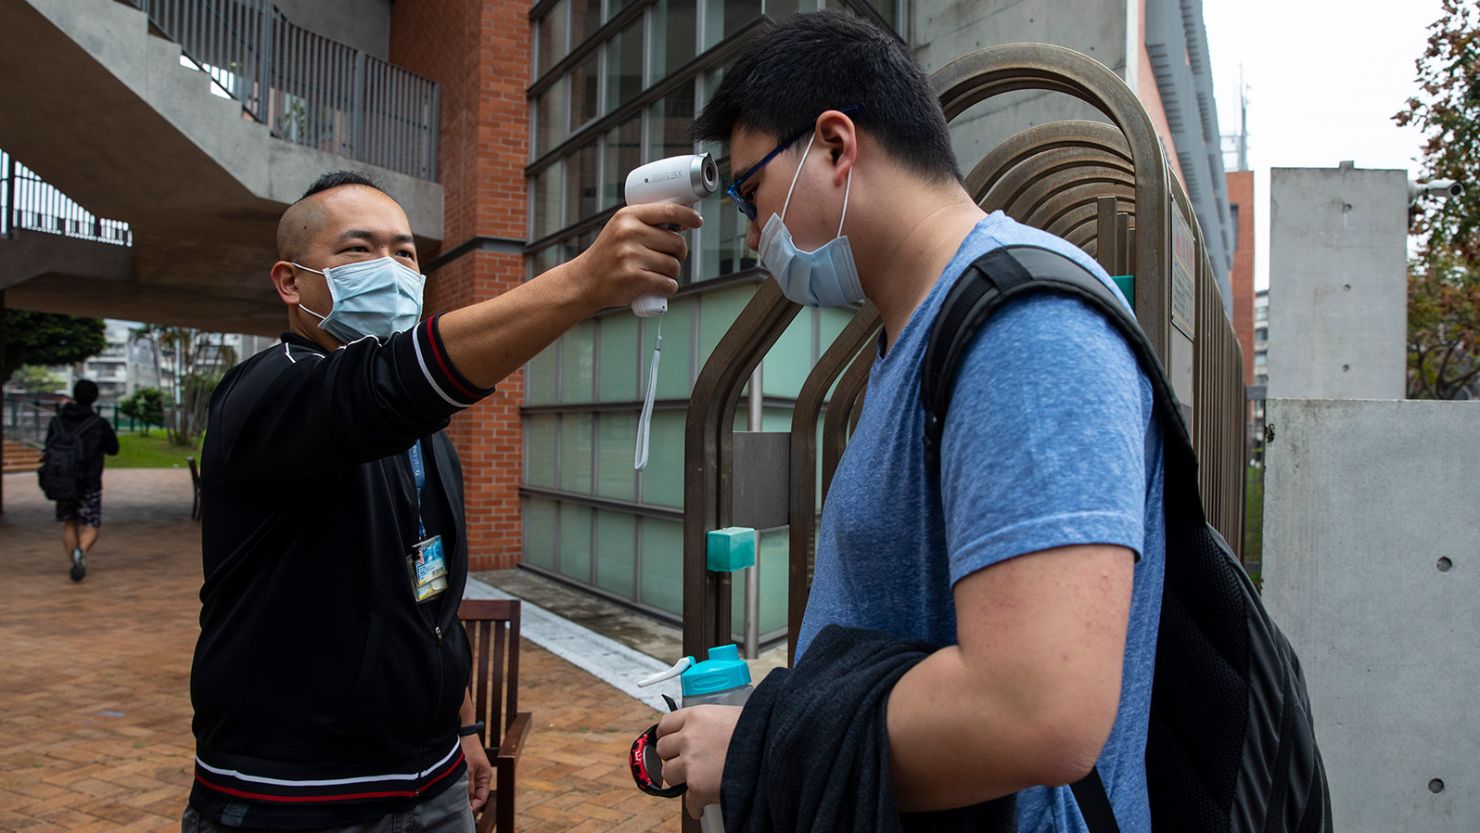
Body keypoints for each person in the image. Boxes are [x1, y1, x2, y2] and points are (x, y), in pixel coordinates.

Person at [655, 12, 1166, 833]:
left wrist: (764, 739)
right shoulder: (919, 331)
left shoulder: (1023, 330)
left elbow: (1041, 709)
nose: (754, 239)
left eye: (751, 195)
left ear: (833, 145)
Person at [184, 171, 699, 832]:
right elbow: (380, 386)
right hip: (295, 797)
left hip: (433, 781)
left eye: (405, 252)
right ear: (290, 282)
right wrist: (581, 282)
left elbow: (428, 597)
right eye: (358, 249)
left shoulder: (426, 437)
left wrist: (465, 728)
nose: (391, 268)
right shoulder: (266, 394)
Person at [46, 378, 119, 582]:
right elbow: (113, 449)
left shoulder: (57, 421)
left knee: (69, 523)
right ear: (94, 397)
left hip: (63, 481)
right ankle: (81, 552)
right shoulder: (99, 423)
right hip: (89, 483)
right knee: (91, 524)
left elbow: (48, 447)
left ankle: (75, 561)